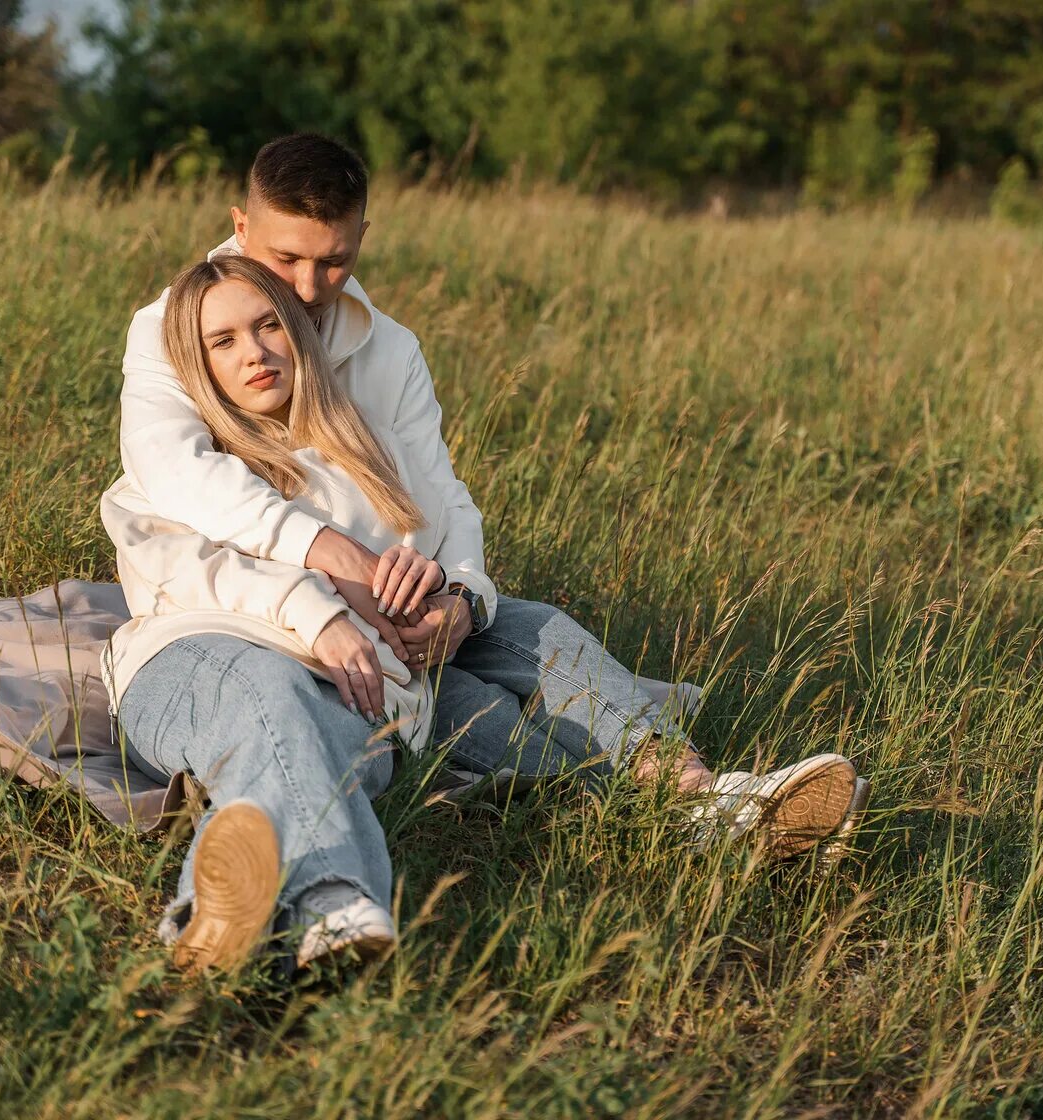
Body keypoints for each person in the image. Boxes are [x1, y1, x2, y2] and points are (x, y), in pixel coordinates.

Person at [105, 247, 868, 973]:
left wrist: (445, 598)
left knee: (527, 646)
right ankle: (321, 906)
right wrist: (322, 615)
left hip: (381, 681)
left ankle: (702, 802)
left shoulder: (357, 446)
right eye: (223, 341)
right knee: (282, 714)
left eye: (269, 325)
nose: (255, 352)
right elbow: (179, 566)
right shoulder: (184, 461)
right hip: (210, 652)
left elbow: (442, 530)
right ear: (194, 367)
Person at [116, 131, 870, 844]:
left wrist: (459, 594)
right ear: (241, 228)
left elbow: (439, 492)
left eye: (334, 262)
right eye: (286, 259)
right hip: (289, 614)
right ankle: (688, 810)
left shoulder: (389, 349)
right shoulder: (178, 330)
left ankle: (700, 790)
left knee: (530, 627)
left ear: (362, 239)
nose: (308, 290)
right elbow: (175, 474)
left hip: (398, 606)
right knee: (476, 714)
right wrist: (338, 564)